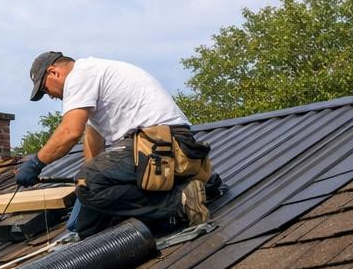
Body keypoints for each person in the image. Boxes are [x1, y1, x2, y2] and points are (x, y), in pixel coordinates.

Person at [18, 52, 214, 238]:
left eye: (45, 89)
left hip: (162, 143)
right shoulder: (93, 82)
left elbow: (70, 132)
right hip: (153, 145)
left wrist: (36, 163)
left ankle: (179, 201)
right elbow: (93, 142)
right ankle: (192, 190)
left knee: (89, 184)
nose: (50, 96)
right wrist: (84, 190)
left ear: (54, 72)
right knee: (87, 227)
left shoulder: (79, 75)